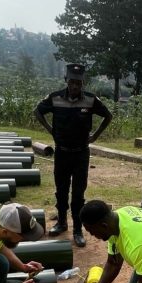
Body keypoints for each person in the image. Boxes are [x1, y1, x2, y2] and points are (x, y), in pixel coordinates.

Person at [34, 63, 113, 248]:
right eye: (72, 82)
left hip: (81, 155)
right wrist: (50, 129)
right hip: (61, 153)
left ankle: (78, 230)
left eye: (78, 83)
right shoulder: (55, 98)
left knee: (78, 194)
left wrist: (95, 135)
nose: (75, 86)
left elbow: (108, 116)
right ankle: (61, 222)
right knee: (61, 191)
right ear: (66, 81)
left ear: (83, 83)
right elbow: (37, 111)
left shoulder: (91, 100)